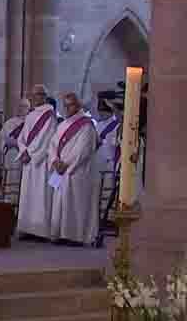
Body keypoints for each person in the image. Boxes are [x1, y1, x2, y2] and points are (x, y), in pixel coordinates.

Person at [48, 92, 99, 246]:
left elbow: (83, 150)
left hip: (77, 172)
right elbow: (52, 146)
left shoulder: (87, 125)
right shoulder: (62, 124)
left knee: (75, 204)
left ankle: (74, 236)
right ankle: (61, 234)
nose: (67, 108)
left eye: (70, 105)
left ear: (78, 105)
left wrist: (66, 164)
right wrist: (55, 161)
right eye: (65, 105)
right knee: (60, 203)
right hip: (61, 170)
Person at [16, 84, 58, 240]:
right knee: (28, 195)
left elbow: (47, 140)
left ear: (44, 96)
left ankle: (40, 231)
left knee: (40, 195)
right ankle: (27, 228)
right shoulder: (31, 115)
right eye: (32, 95)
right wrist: (23, 150)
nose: (33, 98)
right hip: (29, 160)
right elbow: (22, 137)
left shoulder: (49, 115)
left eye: (36, 95)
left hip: (40, 162)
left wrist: (31, 154)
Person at [0, 98, 30, 202]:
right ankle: (9, 203)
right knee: (10, 181)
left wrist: (18, 143)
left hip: (24, 156)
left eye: (24, 106)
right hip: (11, 156)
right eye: (20, 106)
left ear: (29, 108)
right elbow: (2, 140)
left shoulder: (31, 123)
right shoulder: (9, 123)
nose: (21, 109)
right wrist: (9, 142)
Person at [93, 99, 120, 177]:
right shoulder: (98, 125)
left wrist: (114, 107)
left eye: (103, 111)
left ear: (110, 112)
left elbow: (120, 119)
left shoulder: (116, 123)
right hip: (99, 161)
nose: (101, 113)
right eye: (100, 111)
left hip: (113, 161)